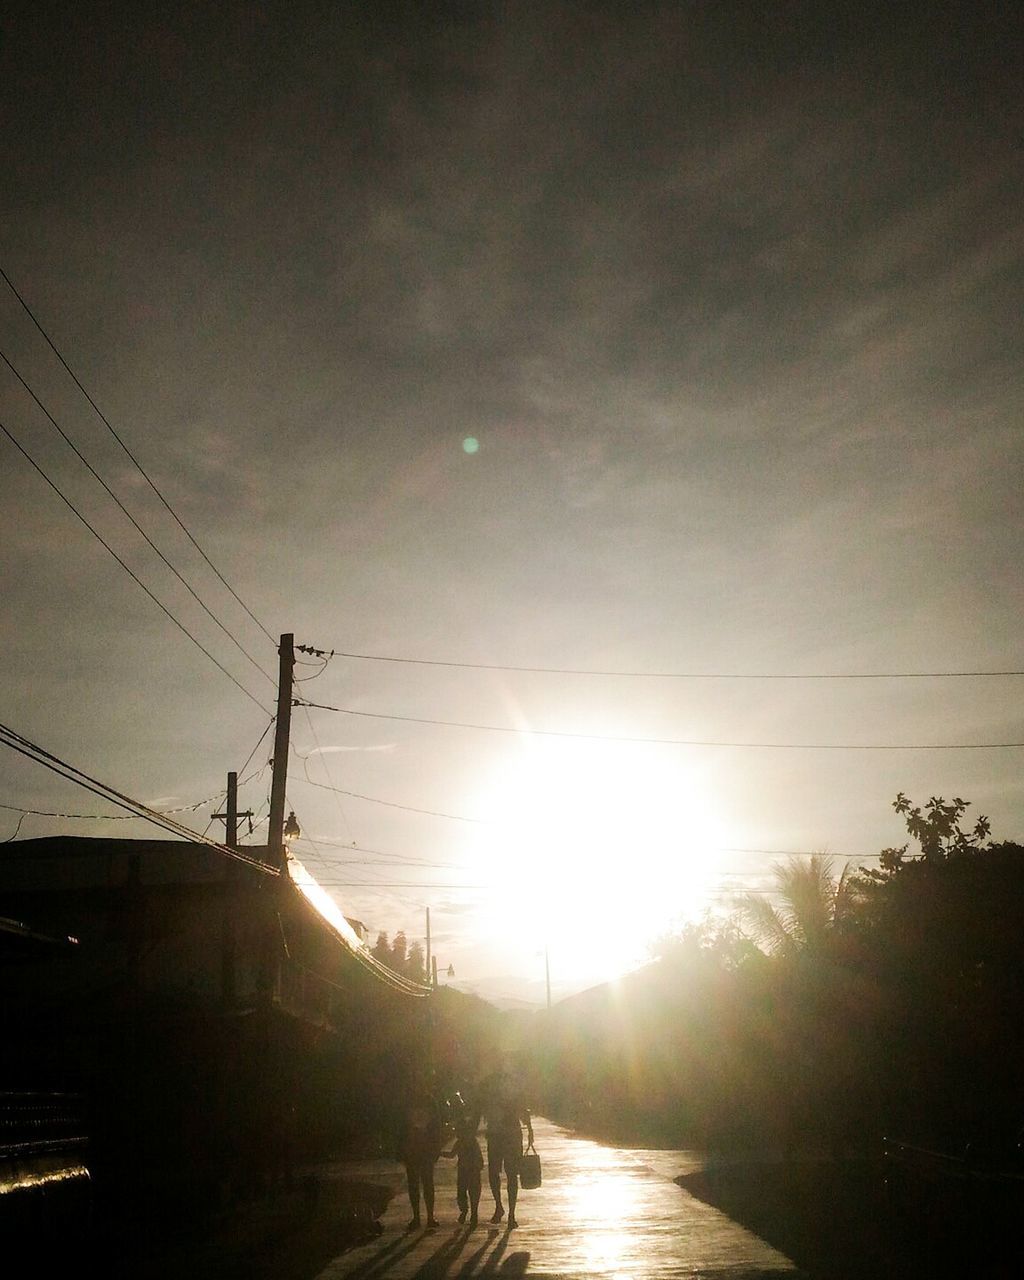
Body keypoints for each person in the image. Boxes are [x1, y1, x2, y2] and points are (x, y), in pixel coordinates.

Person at [480, 1065, 534, 1229]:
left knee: (506, 1174)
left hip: (506, 1135)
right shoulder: (493, 1087)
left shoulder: (504, 1087)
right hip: (503, 1135)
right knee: (502, 1174)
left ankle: (508, 1212)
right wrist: (529, 1129)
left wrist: (530, 1128)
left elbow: (522, 1109)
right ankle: (504, 1210)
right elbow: (523, 1109)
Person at [398, 1086, 443, 1230]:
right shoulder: (422, 1101)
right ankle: (420, 1216)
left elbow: (436, 1126)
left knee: (424, 1183)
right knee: (418, 1183)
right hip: (414, 1149)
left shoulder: (425, 1101)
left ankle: (425, 1216)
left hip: (422, 1149)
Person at [442, 1102, 484, 1226]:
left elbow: (451, 1155)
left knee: (463, 1192)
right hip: (472, 1169)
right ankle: (472, 1213)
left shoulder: (462, 1142)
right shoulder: (470, 1142)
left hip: (465, 1169)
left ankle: (467, 1211)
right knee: (473, 1192)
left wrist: (438, 1153)